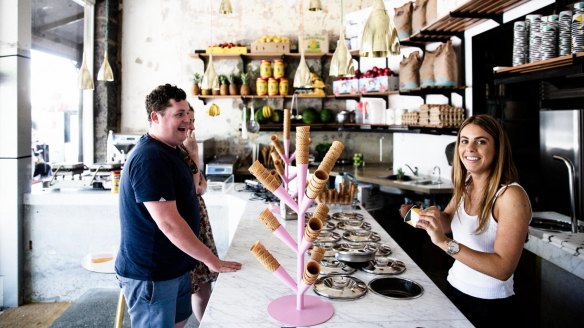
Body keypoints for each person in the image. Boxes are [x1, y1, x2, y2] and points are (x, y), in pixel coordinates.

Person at [115, 84, 241, 328]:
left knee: (178, 323)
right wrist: (211, 260)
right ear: (155, 117)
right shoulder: (149, 159)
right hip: (152, 273)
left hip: (176, 267)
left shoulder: (171, 150)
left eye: (188, 114)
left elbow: (194, 190)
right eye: (179, 114)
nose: (188, 122)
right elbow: (169, 223)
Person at [399, 114, 531, 328]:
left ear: (497, 148)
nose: (470, 149)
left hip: (490, 308)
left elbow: (502, 268)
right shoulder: (468, 183)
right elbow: (448, 222)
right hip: (454, 291)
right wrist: (417, 216)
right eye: (464, 140)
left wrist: (443, 243)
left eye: (481, 141)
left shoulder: (511, 196)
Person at [178, 104, 220, 321]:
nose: (191, 125)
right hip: (186, 226)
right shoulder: (180, 149)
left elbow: (201, 186)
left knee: (203, 285)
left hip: (199, 222)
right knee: (195, 286)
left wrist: (193, 155)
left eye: (193, 121)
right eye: (187, 120)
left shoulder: (185, 147)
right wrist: (194, 153)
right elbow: (196, 188)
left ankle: (206, 323)